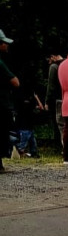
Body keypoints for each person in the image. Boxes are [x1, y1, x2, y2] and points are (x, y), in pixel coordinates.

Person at [0, 29, 20, 173]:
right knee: (2, 132)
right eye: (4, 43)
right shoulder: (0, 63)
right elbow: (15, 82)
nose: (6, 45)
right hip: (2, 103)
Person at [13, 86, 44, 158]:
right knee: (22, 145)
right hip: (24, 127)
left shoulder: (27, 103)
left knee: (32, 144)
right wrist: (36, 97)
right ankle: (20, 153)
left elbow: (40, 107)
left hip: (28, 127)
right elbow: (41, 107)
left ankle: (33, 153)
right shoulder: (26, 102)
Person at [44, 53, 64, 147]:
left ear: (53, 56)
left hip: (57, 99)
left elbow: (51, 85)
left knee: (58, 123)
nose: (48, 62)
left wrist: (47, 101)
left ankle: (59, 145)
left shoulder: (54, 67)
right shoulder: (66, 64)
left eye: (49, 59)